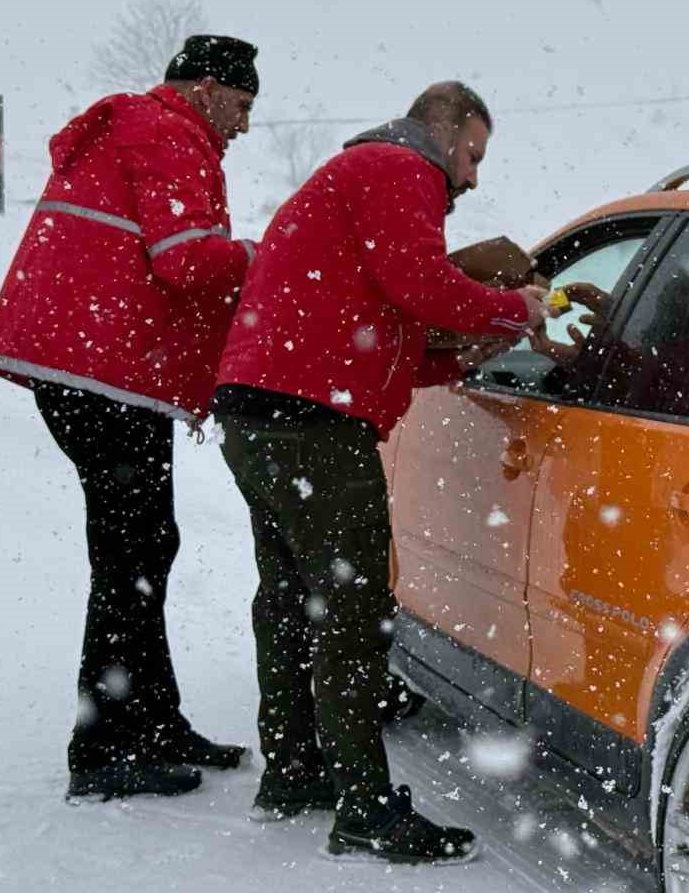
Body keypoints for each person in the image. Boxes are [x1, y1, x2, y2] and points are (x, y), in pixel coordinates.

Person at [212, 81, 550, 861]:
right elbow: (423, 288)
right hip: (311, 423)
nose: (472, 178)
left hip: (262, 411)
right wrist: (519, 311)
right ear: (443, 130)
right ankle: (364, 806)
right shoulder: (401, 171)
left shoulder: (358, 179)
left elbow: (389, 334)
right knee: (352, 611)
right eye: (472, 154)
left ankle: (295, 768)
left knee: (293, 596)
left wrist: (461, 354)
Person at [0, 35, 262, 800]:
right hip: (101, 372)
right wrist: (261, 257)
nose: (243, 126)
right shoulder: (166, 131)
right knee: (130, 552)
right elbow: (187, 258)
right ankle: (101, 746)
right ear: (205, 88)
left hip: (94, 367)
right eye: (240, 106)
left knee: (143, 543)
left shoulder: (143, 127)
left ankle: (153, 720)